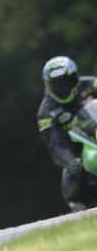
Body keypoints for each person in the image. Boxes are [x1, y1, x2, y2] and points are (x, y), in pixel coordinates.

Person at [37, 56, 97, 211]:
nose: (63, 87)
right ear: (48, 85)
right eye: (57, 84)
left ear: (75, 78)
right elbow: (55, 145)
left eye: (67, 82)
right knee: (75, 170)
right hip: (80, 150)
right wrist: (69, 161)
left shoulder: (91, 84)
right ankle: (79, 204)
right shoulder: (46, 113)